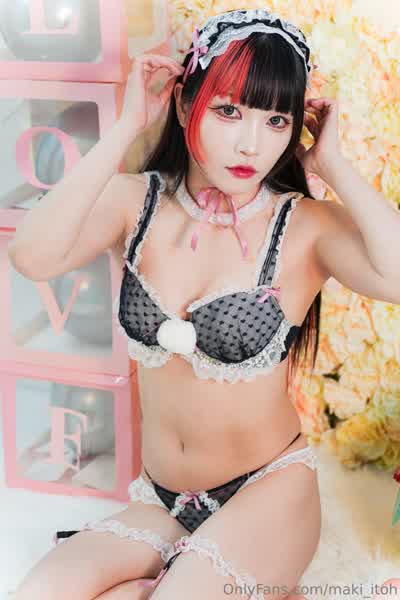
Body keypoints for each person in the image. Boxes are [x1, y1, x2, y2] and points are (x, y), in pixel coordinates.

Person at [10, 7, 400, 600]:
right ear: (185, 103)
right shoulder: (136, 204)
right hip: (161, 499)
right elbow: (31, 257)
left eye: (276, 120)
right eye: (228, 111)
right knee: (39, 593)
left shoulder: (304, 228)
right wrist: (125, 127)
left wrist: (334, 166)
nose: (252, 143)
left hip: (268, 491)